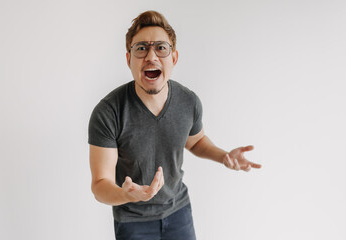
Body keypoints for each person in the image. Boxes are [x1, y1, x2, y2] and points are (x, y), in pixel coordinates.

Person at [88, 10, 262, 240]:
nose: (151, 56)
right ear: (129, 59)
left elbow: (196, 141)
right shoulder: (109, 112)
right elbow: (100, 185)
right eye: (141, 48)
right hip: (133, 220)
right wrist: (128, 195)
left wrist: (223, 156)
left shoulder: (188, 101)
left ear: (174, 58)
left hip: (178, 211)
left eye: (161, 48)